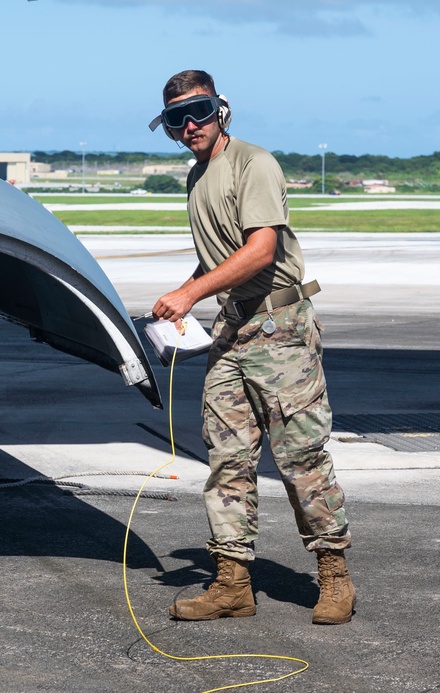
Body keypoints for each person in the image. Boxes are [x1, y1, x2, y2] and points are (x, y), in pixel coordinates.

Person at [148, 70, 355, 625]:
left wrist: (189, 292)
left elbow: (261, 250)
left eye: (201, 110)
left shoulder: (253, 163)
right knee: (226, 459)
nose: (191, 124)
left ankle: (334, 577)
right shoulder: (198, 176)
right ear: (167, 127)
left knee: (300, 457)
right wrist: (182, 315)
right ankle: (232, 582)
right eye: (177, 117)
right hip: (233, 329)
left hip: (280, 330)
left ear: (223, 110)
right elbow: (219, 261)